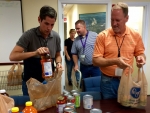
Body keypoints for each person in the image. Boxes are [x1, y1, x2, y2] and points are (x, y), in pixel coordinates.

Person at [93, 2, 146, 99]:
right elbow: (95, 61)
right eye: (112, 20)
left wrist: (141, 58)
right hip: (108, 82)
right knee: (109, 109)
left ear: (126, 18)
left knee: (126, 108)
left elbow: (140, 53)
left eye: (118, 20)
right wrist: (115, 61)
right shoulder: (102, 36)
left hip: (127, 80)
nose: (114, 24)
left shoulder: (135, 35)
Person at [9, 5, 62, 95]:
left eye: (52, 24)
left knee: (49, 107)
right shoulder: (29, 35)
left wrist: (58, 63)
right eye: (46, 23)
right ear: (39, 19)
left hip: (48, 81)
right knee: (31, 108)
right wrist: (35, 53)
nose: (49, 28)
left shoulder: (56, 36)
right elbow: (12, 56)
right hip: (31, 83)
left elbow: (57, 54)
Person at [71, 20, 101, 87]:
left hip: (95, 67)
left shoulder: (94, 36)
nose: (77, 30)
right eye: (76, 29)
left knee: (97, 85)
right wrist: (76, 64)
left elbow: (101, 48)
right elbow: (74, 53)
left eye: (78, 28)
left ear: (84, 27)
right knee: (84, 85)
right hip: (83, 67)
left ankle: (97, 97)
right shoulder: (76, 40)